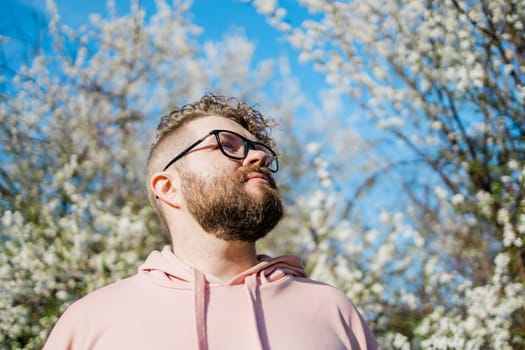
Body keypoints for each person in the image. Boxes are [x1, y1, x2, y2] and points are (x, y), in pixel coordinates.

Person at [44, 93, 379, 350]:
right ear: (168, 187)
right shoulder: (92, 321)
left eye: (261, 150)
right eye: (228, 145)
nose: (259, 156)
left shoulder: (332, 310)